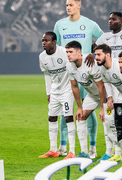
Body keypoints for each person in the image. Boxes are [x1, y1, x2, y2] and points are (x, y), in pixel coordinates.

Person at [53, 0, 103, 158]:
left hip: (87, 73)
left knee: (88, 111)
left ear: (79, 6)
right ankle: (62, 147)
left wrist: (94, 54)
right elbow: (56, 47)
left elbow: (103, 41)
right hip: (69, 72)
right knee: (65, 110)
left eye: (71, 5)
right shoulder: (60, 24)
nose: (68, 7)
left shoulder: (89, 24)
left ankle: (92, 147)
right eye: (67, 5)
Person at [95, 11, 122, 160]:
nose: (110, 21)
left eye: (114, 19)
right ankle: (117, 154)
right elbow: (107, 82)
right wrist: (110, 98)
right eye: (109, 18)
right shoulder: (103, 66)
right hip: (119, 93)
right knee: (117, 122)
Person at [38, 31, 76, 159]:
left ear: (54, 42)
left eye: (47, 40)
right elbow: (47, 75)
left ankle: (72, 151)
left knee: (68, 118)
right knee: (52, 118)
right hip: (54, 91)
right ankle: (53, 150)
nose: (44, 43)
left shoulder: (64, 53)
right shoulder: (42, 57)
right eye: (43, 40)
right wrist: (48, 92)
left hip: (67, 91)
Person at [65, 41, 106, 158]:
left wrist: (103, 107)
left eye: (71, 52)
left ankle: (111, 152)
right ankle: (84, 152)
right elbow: (74, 86)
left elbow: (101, 86)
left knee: (107, 121)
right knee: (80, 117)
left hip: (106, 94)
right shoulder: (69, 66)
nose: (68, 55)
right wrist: (79, 107)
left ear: (79, 52)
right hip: (92, 95)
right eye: (67, 52)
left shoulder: (89, 62)